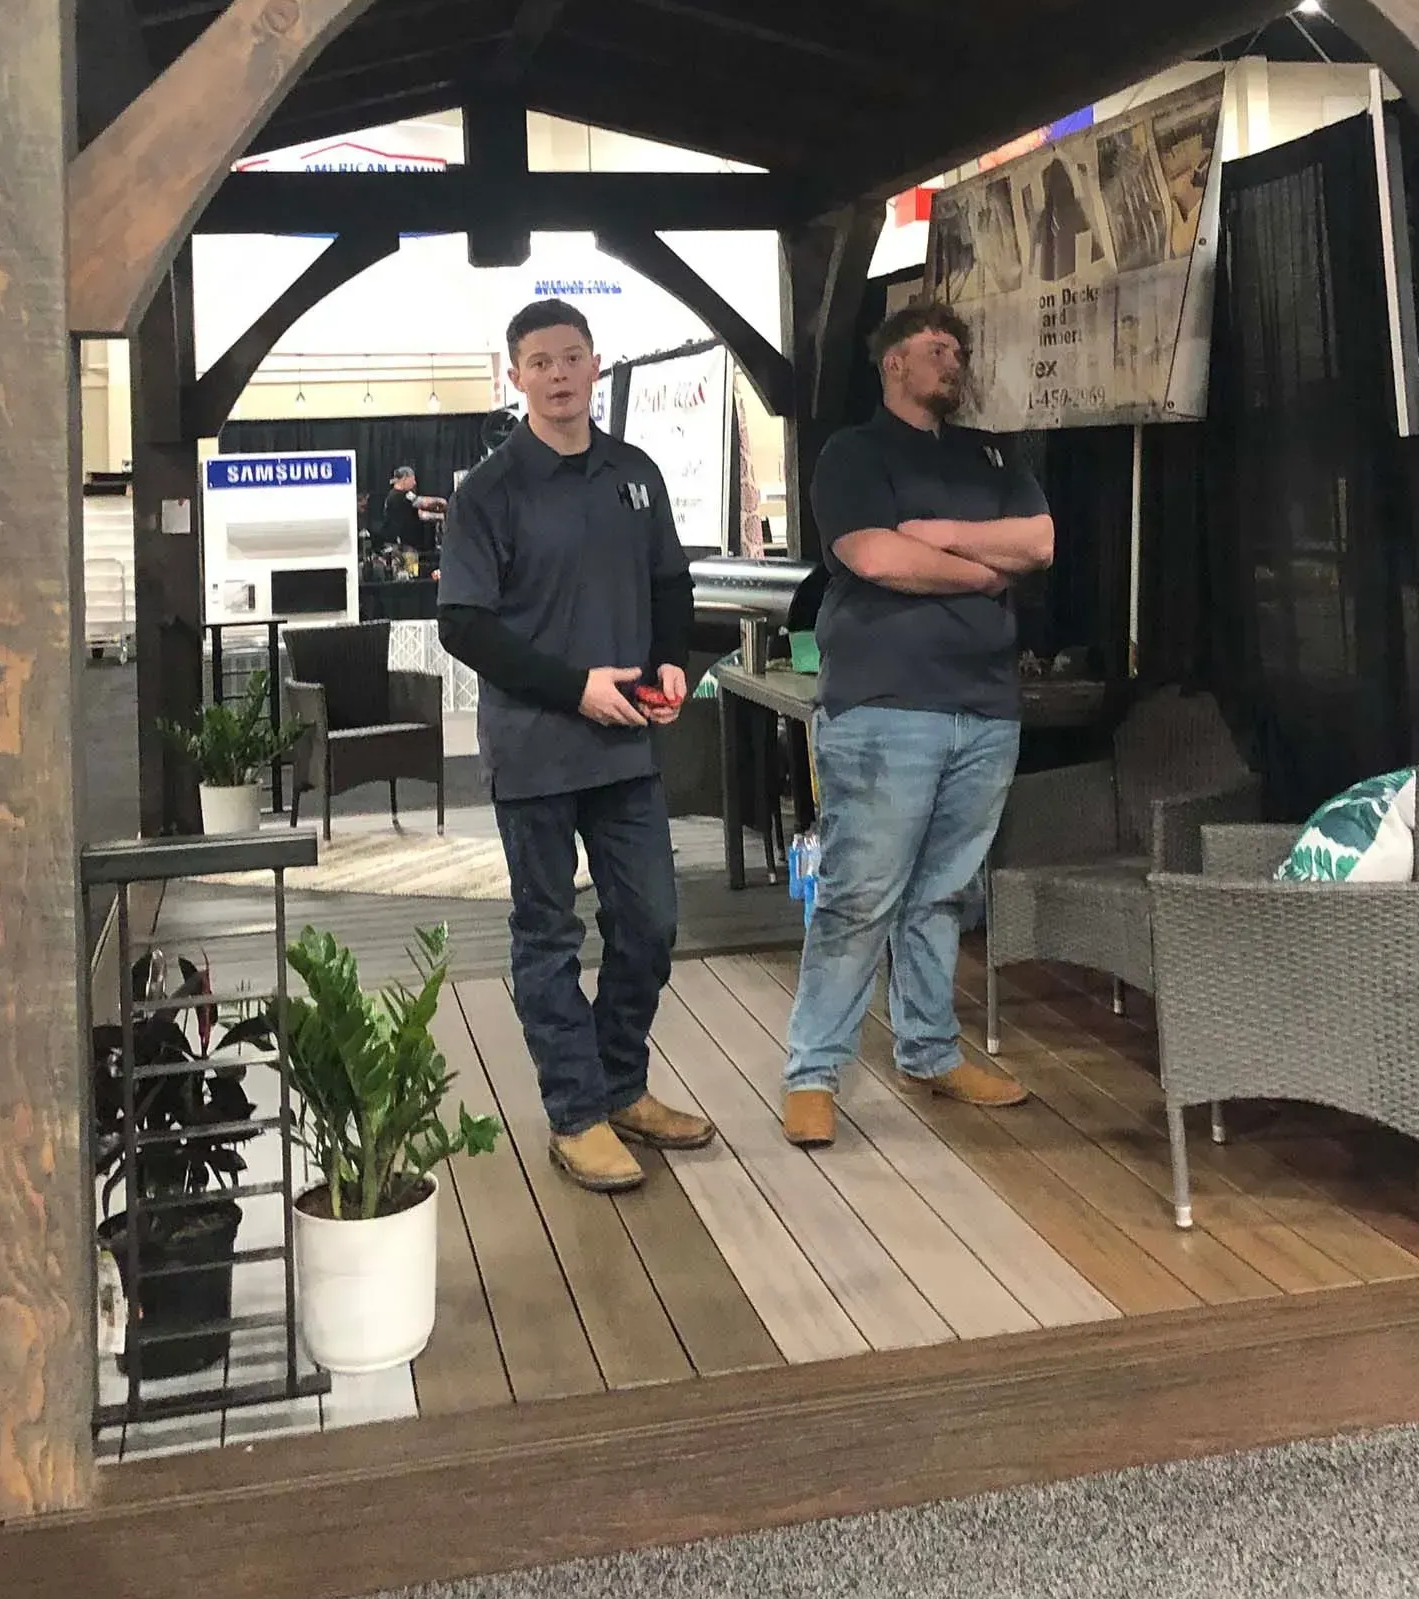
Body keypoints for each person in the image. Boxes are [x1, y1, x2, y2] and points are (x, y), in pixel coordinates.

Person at [437, 299, 714, 1192]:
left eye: (571, 358)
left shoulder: (635, 472)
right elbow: (463, 624)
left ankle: (620, 1082)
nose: (558, 375)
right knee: (548, 934)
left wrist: (670, 664)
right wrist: (574, 687)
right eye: (539, 362)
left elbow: (672, 582)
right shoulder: (490, 490)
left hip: (628, 746)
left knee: (652, 922)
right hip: (534, 751)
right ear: (514, 376)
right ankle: (577, 1113)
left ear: (597, 365)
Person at [781, 301, 1054, 1146]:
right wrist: (980, 570)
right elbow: (872, 557)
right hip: (885, 705)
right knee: (860, 893)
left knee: (943, 894)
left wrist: (933, 535)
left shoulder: (991, 455)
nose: (953, 362)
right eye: (937, 348)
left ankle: (930, 1050)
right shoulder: (852, 454)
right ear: (893, 362)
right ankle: (812, 1072)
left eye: (959, 350)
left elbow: (1040, 542)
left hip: (986, 708)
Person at [377, 464, 425, 558]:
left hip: (406, 543)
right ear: (404, 479)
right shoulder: (396, 497)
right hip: (399, 545)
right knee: (404, 570)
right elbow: (422, 504)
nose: (414, 483)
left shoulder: (406, 494)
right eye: (412, 479)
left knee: (411, 570)